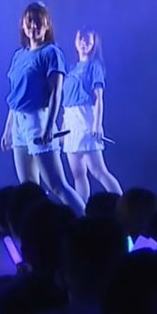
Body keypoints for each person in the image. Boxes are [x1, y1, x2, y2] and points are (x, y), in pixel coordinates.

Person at [0, 3, 83, 214]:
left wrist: (48, 127)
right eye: (29, 22)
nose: (33, 26)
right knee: (28, 187)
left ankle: (86, 222)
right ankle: (36, 227)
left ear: (47, 26)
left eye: (38, 22)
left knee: (57, 184)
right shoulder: (19, 55)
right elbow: (15, 96)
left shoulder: (51, 53)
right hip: (19, 122)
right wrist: (8, 129)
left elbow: (56, 93)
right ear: (23, 26)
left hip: (39, 120)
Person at [60, 27, 123, 201]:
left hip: (86, 118)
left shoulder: (95, 66)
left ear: (94, 43)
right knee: (78, 173)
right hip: (70, 121)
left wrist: (97, 125)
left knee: (99, 170)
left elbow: (99, 98)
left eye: (88, 39)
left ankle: (123, 204)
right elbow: (66, 101)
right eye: (80, 38)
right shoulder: (71, 68)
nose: (84, 43)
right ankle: (82, 210)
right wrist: (63, 126)